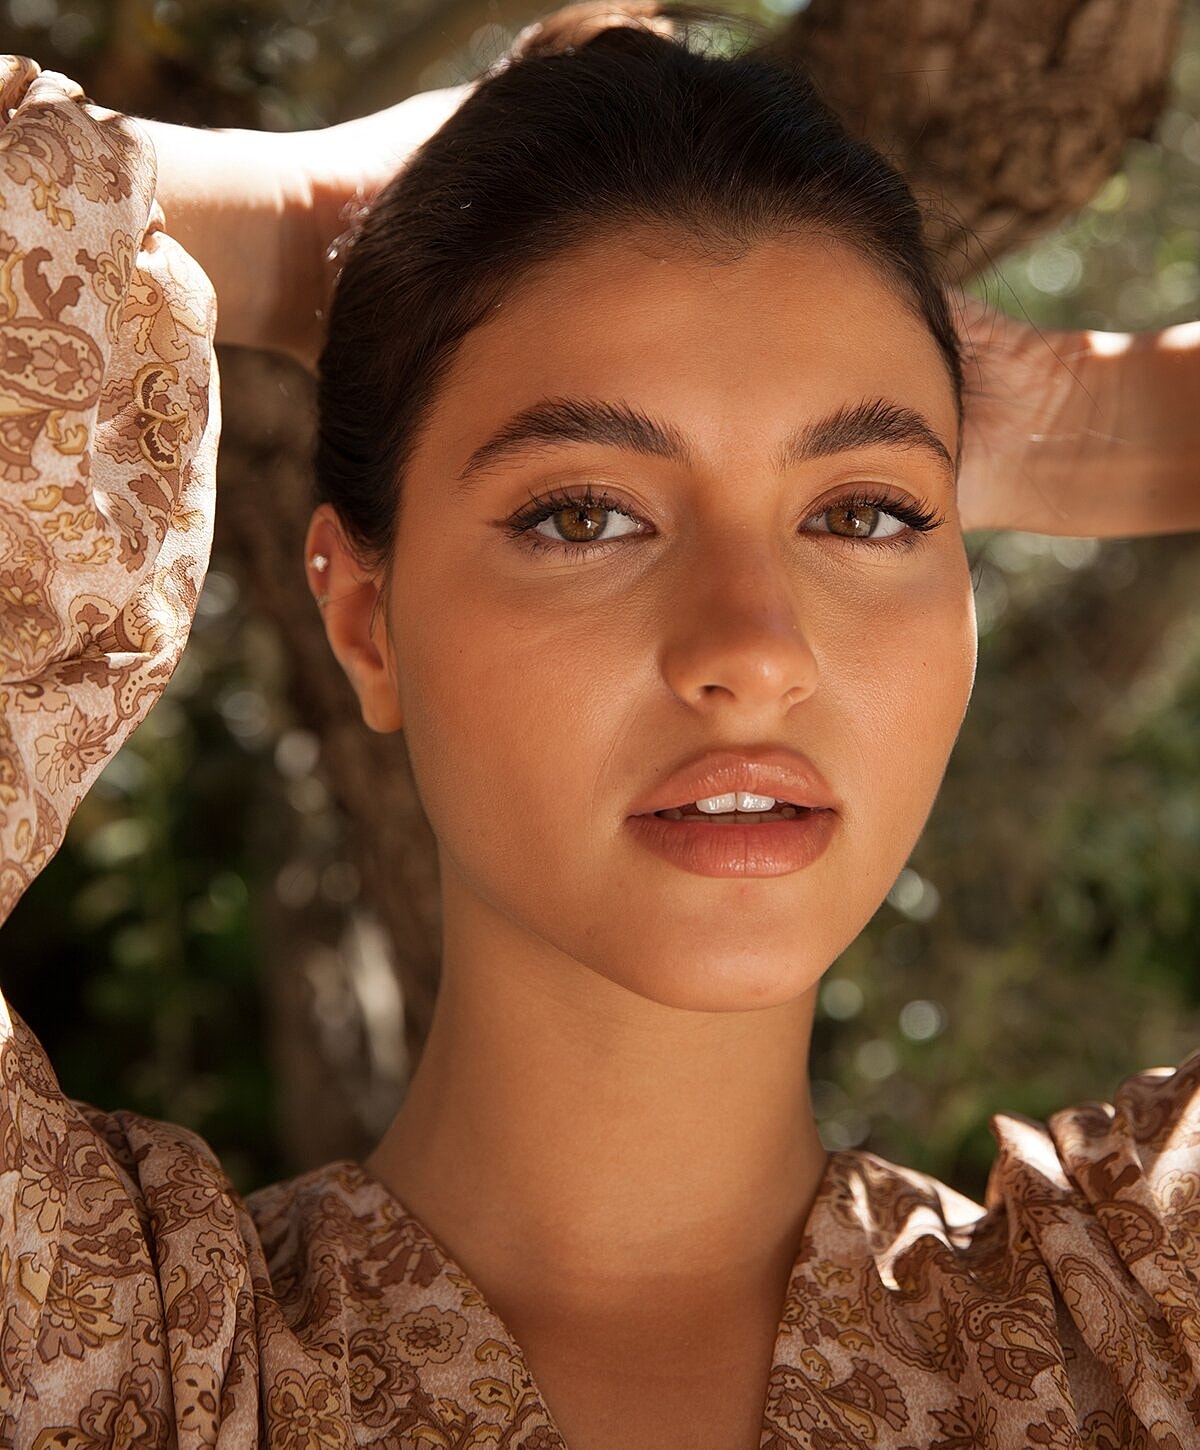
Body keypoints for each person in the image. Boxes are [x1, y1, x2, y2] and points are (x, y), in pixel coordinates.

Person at [1, 6, 1198, 1447]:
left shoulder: (1137, 1339)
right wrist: (281, 228)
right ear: (366, 616)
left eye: (867, 511)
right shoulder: (104, 1357)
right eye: (587, 514)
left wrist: (1082, 412)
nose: (752, 652)